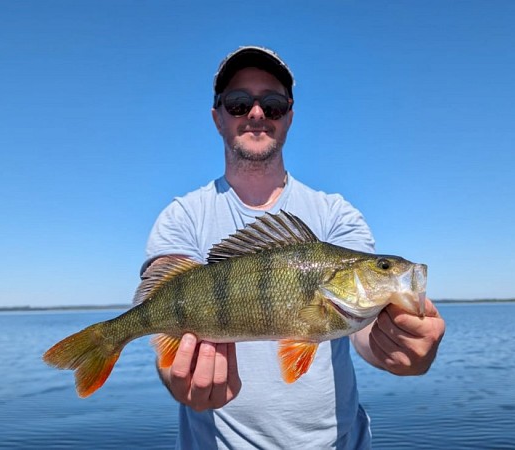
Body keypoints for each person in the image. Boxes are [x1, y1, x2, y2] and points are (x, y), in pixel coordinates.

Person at [140, 46, 445, 449]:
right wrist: (177, 376)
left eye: (273, 104)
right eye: (237, 103)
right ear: (217, 117)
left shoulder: (335, 215)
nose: (256, 113)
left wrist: (402, 347)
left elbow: (363, 328)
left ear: (289, 117)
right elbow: (163, 310)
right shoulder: (183, 216)